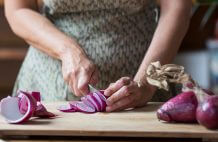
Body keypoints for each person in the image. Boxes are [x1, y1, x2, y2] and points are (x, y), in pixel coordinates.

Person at [4, 0, 192, 112]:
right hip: (48, 85)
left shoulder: (147, 85)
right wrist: (68, 51)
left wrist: (146, 83)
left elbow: (177, 6)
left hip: (146, 83)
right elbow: (18, 10)